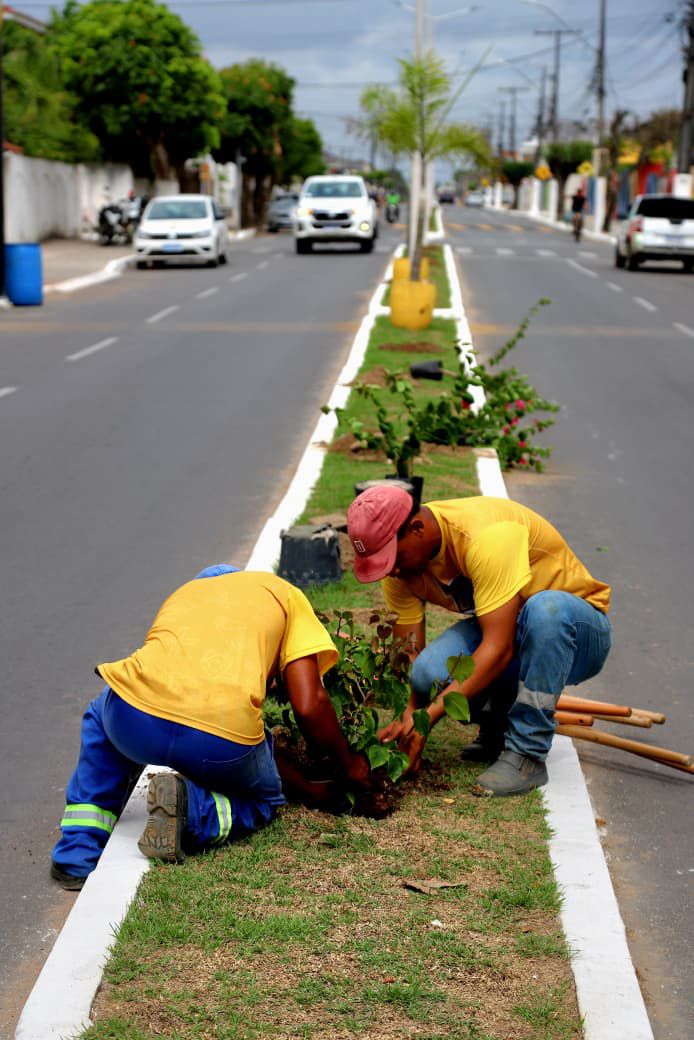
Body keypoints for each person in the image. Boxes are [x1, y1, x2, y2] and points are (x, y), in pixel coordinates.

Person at [50, 566, 371, 890]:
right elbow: (309, 704)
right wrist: (348, 765)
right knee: (263, 799)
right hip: (221, 737)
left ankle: (76, 854)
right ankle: (192, 807)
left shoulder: (188, 594)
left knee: (100, 716)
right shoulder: (283, 594)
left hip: (134, 717)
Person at [347, 486, 612, 797]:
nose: (390, 569)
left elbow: (498, 649)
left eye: (392, 557)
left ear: (417, 529)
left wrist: (430, 718)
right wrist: (411, 718)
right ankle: (496, 726)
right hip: (513, 632)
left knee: (545, 610)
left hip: (577, 634)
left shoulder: (487, 537)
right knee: (427, 673)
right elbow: (411, 656)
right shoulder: (401, 570)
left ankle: (527, 752)